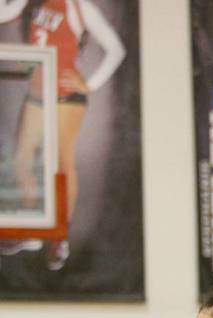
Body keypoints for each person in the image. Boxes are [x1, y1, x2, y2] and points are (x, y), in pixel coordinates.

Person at [1, 0, 125, 269]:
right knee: (22, 159)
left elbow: (117, 50)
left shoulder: (81, 7)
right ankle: (33, 232)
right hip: (37, 91)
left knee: (61, 163)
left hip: (65, 94)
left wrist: (88, 84)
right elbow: (5, 13)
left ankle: (60, 235)